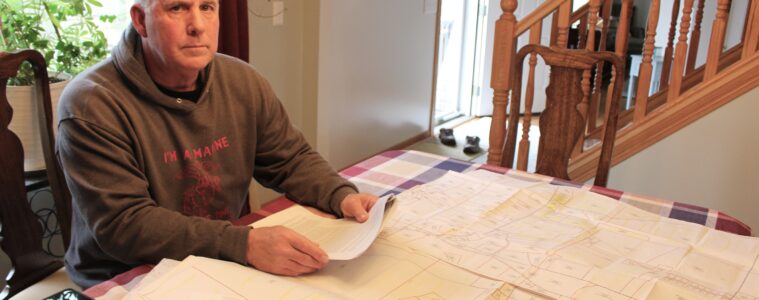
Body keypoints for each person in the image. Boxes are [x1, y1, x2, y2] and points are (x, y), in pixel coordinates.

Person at [56, 0, 378, 288]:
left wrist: (340, 195)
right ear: (141, 20)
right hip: (125, 276)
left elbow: (290, 158)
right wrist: (244, 245)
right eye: (177, 8)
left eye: (207, 7)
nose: (197, 25)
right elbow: (126, 225)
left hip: (220, 255)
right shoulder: (90, 104)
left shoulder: (243, 81)